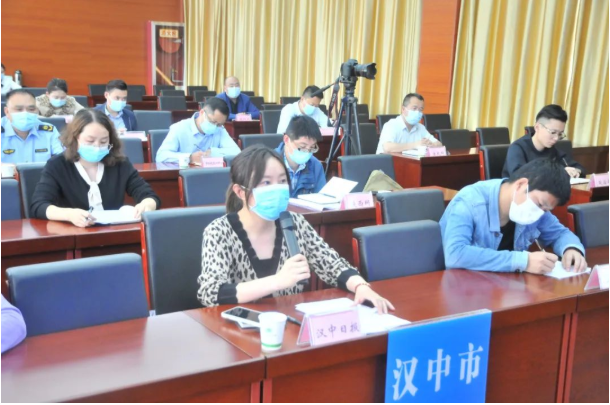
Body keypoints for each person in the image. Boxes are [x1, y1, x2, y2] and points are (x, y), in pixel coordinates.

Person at [197, 145, 394, 313]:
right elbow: (210, 292)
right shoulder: (219, 231)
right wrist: (278, 281)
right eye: (266, 182)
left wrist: (361, 286)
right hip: (238, 330)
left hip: (289, 324)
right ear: (240, 191)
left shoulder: (294, 223)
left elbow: (332, 265)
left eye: (282, 181)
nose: (277, 188)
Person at [440, 158, 587, 274]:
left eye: (546, 209)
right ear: (521, 185)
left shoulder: (538, 209)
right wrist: (523, 261)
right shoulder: (469, 201)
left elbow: (560, 234)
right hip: (464, 289)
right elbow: (455, 254)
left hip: (505, 287)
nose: (540, 212)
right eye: (539, 204)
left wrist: (571, 249)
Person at [30, 109, 160, 227]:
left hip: (114, 232)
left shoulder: (119, 163)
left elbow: (149, 195)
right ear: (75, 138)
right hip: (73, 234)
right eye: (90, 141)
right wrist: (69, 214)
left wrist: (146, 204)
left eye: (103, 141)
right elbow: (38, 205)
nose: (97, 146)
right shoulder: (58, 165)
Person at [502, 104, 585, 178]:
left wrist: (576, 171)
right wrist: (559, 172)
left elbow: (579, 168)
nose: (556, 138)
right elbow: (519, 176)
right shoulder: (517, 148)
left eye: (560, 134)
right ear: (537, 127)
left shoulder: (552, 149)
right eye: (553, 132)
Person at [156, 97, 240, 163]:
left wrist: (212, 153)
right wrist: (189, 158)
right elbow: (161, 156)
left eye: (219, 124)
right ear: (202, 113)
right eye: (213, 122)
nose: (215, 127)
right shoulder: (179, 128)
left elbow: (236, 153)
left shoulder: (220, 129)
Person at [1, 89, 63, 164]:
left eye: (31, 109)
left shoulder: (49, 132)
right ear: (7, 112)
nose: (25, 113)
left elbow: (63, 159)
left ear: (37, 110)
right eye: (19, 109)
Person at [275, 116, 326, 197]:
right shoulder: (268, 164)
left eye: (312, 147)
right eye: (302, 147)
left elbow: (322, 199)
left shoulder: (316, 166)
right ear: (286, 139)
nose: (307, 152)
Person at [376, 93, 442, 154]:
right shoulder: (391, 125)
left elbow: (439, 144)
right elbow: (387, 148)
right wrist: (415, 145)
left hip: (410, 161)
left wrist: (431, 144)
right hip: (386, 162)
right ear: (403, 109)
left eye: (420, 109)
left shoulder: (420, 127)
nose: (418, 112)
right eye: (414, 108)